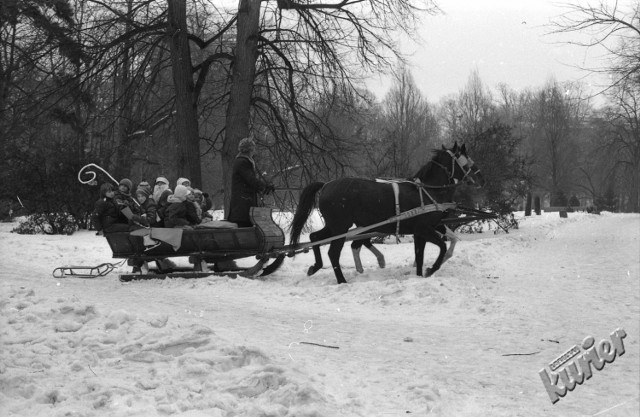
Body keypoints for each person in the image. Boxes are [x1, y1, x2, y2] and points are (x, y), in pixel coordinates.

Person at [227, 137, 274, 227]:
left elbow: (250, 181)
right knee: (245, 229)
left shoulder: (243, 161)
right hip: (243, 205)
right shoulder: (242, 162)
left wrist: (263, 187)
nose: (254, 150)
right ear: (250, 149)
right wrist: (264, 187)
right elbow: (251, 180)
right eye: (253, 148)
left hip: (244, 203)